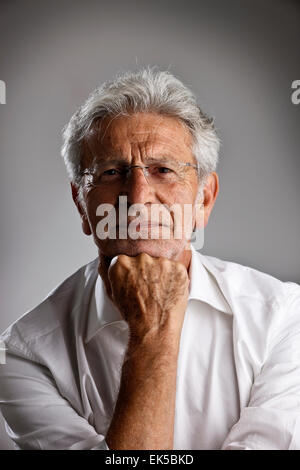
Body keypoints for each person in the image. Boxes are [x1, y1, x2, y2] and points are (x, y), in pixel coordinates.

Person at [0, 67, 299, 450]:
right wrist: (152, 332)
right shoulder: (26, 355)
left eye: (164, 171)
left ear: (203, 200)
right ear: (81, 204)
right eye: (112, 172)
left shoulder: (285, 317)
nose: (138, 199)